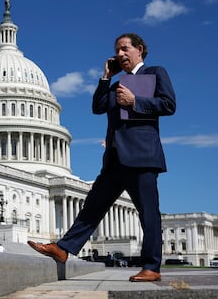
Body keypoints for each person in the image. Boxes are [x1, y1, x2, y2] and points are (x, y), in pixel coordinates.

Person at [28, 33, 176, 282]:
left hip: (141, 156)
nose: (120, 54)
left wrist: (135, 101)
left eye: (125, 49)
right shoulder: (117, 83)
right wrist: (106, 77)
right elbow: (98, 107)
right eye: (117, 50)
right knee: (92, 208)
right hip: (115, 158)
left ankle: (152, 267)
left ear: (139, 49)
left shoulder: (155, 73)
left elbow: (168, 104)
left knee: (148, 213)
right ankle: (64, 249)